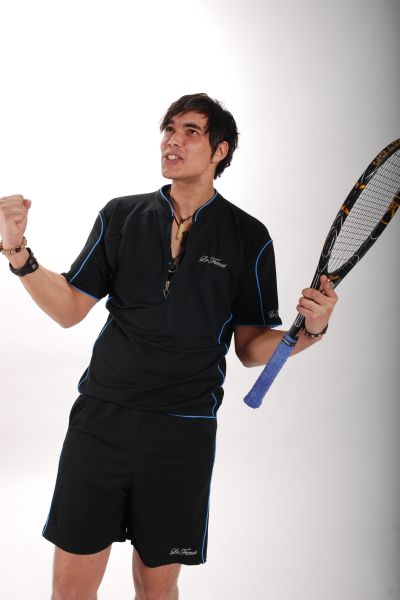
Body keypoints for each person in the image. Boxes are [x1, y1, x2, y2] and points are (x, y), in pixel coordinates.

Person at [0, 93, 337, 600]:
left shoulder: (249, 237)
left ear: (220, 150)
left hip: (182, 432)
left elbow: (250, 348)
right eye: (169, 129)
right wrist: (17, 252)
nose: (172, 140)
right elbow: (69, 308)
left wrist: (310, 331)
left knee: (157, 590)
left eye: (190, 131)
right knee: (69, 592)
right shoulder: (121, 215)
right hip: (101, 420)